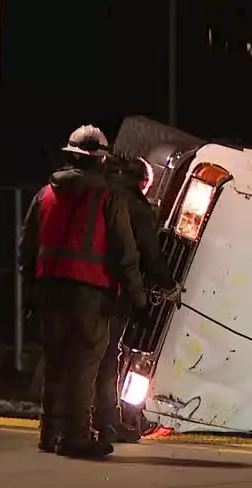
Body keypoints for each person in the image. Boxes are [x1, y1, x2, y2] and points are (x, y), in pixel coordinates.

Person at [18, 126, 175, 458]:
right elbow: (126, 254)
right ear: (101, 159)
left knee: (56, 361)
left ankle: (50, 433)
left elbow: (26, 249)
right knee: (85, 364)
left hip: (49, 290)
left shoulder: (45, 195)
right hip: (91, 292)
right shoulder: (108, 198)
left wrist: (30, 291)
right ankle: (77, 436)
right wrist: (138, 299)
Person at [91, 156, 176, 444]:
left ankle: (64, 425)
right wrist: (166, 286)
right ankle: (109, 424)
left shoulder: (95, 196)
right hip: (111, 292)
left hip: (77, 286)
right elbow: (145, 253)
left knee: (77, 358)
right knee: (106, 358)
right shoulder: (133, 205)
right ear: (144, 183)